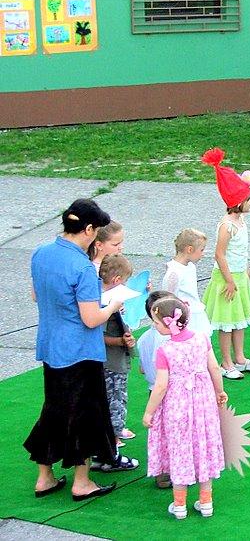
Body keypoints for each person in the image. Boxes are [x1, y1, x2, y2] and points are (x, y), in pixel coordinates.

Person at [25, 198, 124, 502]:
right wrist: (113, 306)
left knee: (54, 409)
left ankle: (45, 477)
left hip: (51, 344)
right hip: (80, 351)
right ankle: (82, 482)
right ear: (89, 229)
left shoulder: (41, 253)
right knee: (85, 415)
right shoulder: (81, 266)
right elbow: (91, 319)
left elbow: (35, 295)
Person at [142, 297, 227, 520]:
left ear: (168, 323)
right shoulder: (201, 339)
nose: (154, 326)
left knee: (180, 447)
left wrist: (149, 411)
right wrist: (219, 391)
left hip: (177, 405)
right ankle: (206, 502)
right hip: (203, 402)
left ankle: (179, 504)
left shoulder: (165, 350)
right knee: (203, 444)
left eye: (156, 322)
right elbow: (214, 367)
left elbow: (161, 386)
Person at [202, 148, 250, 380]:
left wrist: (245, 268)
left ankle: (240, 358)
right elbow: (220, 255)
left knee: (239, 320)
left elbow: (241, 250)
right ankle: (226, 362)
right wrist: (228, 280)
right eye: (248, 200)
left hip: (239, 276)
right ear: (238, 202)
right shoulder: (227, 226)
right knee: (226, 322)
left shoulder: (241, 220)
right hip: (227, 279)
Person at [99, 254, 139, 448]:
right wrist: (121, 341)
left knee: (117, 397)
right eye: (125, 282)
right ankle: (113, 438)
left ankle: (116, 430)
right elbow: (99, 336)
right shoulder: (106, 303)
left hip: (116, 360)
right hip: (111, 362)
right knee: (114, 398)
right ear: (116, 280)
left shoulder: (110, 300)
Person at [137, 290, 174, 490]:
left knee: (159, 433)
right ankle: (174, 470)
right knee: (175, 431)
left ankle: (161, 472)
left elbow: (142, 368)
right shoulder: (167, 341)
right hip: (169, 391)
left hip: (153, 391)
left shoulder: (143, 339)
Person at [163, 228, 212, 336]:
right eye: (201, 250)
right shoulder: (174, 273)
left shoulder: (191, 266)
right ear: (190, 249)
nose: (203, 254)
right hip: (184, 317)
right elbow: (168, 299)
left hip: (195, 313)